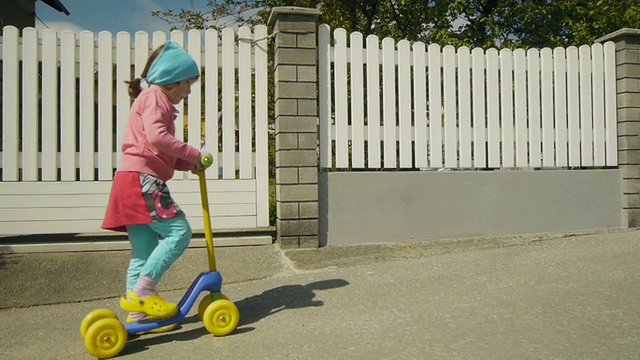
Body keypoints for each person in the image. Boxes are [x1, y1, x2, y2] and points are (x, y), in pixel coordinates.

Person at [101, 40, 210, 330]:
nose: (188, 91)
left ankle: (137, 316)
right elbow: (158, 138)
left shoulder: (152, 100)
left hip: (131, 179)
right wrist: (193, 153)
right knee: (179, 232)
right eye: (187, 83)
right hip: (142, 180)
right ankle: (143, 294)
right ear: (171, 79)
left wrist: (189, 164)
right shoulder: (154, 98)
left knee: (144, 250)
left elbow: (160, 152)